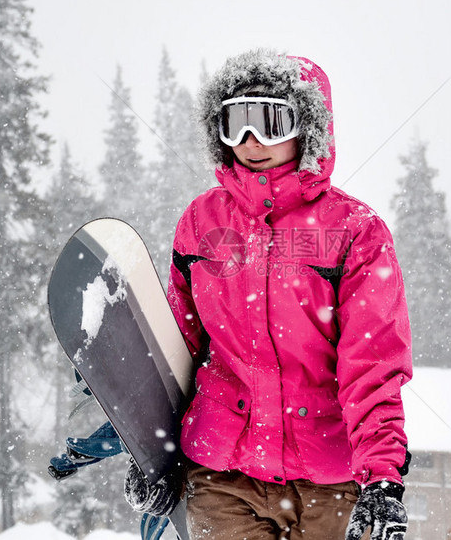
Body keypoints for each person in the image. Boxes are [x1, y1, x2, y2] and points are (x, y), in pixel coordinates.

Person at [124, 49, 413, 540]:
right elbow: (178, 350)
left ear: (308, 127)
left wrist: (382, 475)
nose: (251, 141)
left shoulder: (354, 232)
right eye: (235, 123)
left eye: (270, 122)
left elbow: (372, 363)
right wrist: (150, 449)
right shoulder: (202, 223)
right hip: (221, 474)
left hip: (329, 481)